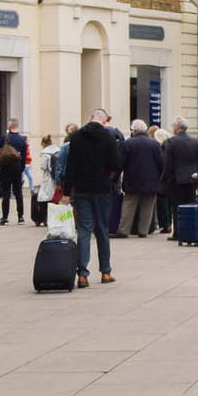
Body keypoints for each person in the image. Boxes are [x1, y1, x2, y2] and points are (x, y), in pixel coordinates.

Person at [65, 110, 122, 287]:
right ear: (104, 121)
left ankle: (82, 274)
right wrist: (110, 179)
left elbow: (71, 166)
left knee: (84, 229)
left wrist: (67, 191)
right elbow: (116, 163)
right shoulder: (108, 136)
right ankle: (105, 272)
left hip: (82, 188)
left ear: (90, 119)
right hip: (102, 188)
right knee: (102, 229)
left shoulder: (76, 136)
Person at [114, 119, 163, 238]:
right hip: (151, 181)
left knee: (129, 205)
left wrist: (114, 178)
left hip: (132, 180)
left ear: (134, 130)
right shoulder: (154, 143)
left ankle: (124, 230)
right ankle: (143, 231)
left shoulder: (128, 143)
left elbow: (121, 163)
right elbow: (161, 163)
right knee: (148, 206)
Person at [161, 117, 198, 240]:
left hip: (176, 179)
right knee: (190, 204)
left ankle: (178, 233)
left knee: (177, 207)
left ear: (177, 128)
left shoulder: (171, 141)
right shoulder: (194, 141)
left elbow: (167, 163)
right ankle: (190, 230)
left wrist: (165, 178)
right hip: (191, 178)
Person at [0, 118, 27, 225]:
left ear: (10, 126)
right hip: (17, 169)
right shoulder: (22, 140)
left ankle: (5, 217)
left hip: (6, 168)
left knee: (6, 193)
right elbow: (24, 157)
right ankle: (21, 217)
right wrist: (21, 169)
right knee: (18, 193)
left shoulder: (5, 137)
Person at [36, 135, 60, 221]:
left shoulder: (45, 153)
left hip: (48, 177)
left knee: (43, 197)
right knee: (54, 197)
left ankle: (45, 218)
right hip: (56, 177)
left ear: (44, 143)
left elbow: (43, 167)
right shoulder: (58, 150)